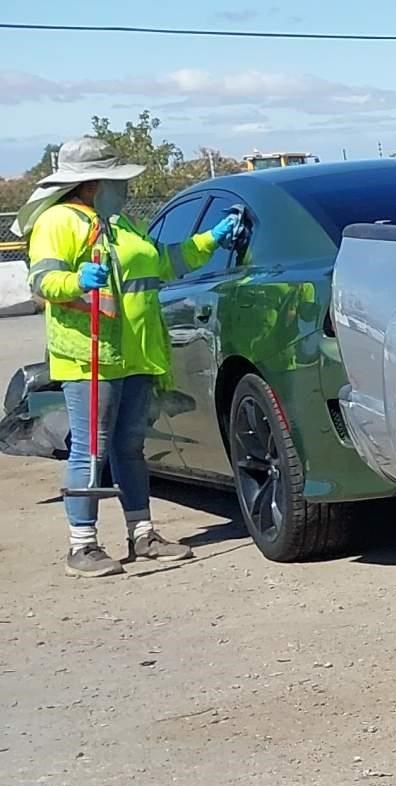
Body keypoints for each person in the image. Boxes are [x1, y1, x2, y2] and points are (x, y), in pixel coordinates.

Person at [22, 136, 243, 577]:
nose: (123, 189)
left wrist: (211, 241)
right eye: (115, 181)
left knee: (129, 447)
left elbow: (163, 261)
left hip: (137, 354)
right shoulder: (58, 222)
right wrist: (76, 281)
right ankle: (82, 546)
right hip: (91, 356)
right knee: (91, 450)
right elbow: (43, 281)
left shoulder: (120, 224)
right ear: (92, 183)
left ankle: (142, 534)